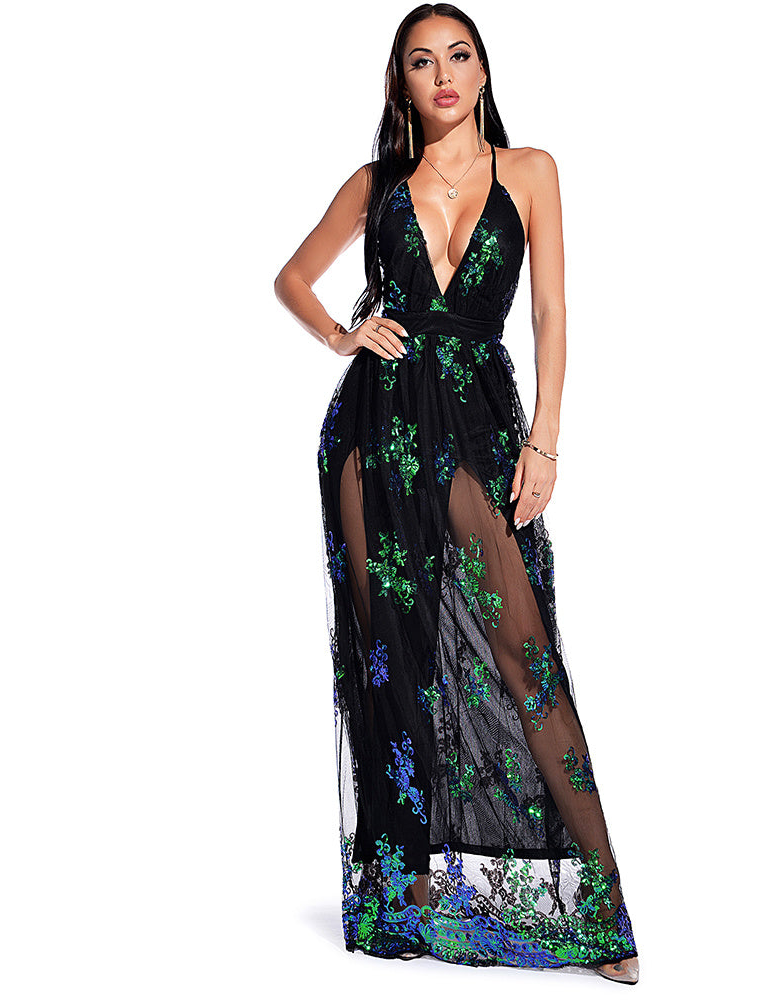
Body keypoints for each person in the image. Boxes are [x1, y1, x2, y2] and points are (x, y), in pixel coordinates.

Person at [274, 4, 639, 985]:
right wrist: (342, 335)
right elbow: (292, 278)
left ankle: (601, 910)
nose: (441, 73)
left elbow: (552, 310)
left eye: (458, 55)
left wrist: (545, 440)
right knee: (390, 657)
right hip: (374, 433)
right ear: (401, 83)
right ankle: (405, 885)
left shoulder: (531, 172)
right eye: (420, 61)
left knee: (525, 655)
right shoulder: (374, 185)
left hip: (477, 426)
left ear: (482, 73)